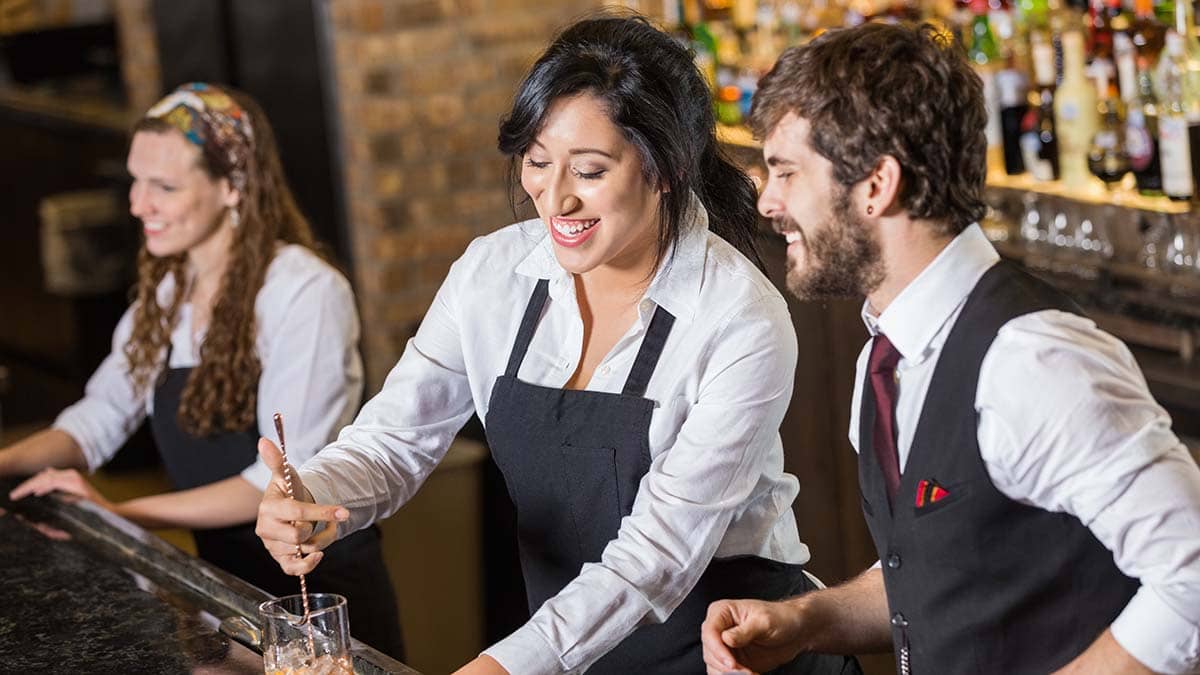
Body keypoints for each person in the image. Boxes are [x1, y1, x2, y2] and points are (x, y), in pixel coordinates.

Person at [254, 15, 859, 675]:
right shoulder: (493, 277)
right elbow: (395, 439)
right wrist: (312, 495)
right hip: (573, 652)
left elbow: (653, 556)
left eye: (591, 169)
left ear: (666, 167)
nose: (555, 197)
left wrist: (499, 667)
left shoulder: (738, 319)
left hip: (730, 655)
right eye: (538, 162)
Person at [700, 22, 1200, 675]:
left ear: (876, 185)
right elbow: (942, 569)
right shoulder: (890, 351)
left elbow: (1190, 572)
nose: (767, 201)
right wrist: (806, 620)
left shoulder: (1032, 360)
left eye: (787, 172)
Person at [1, 83, 405, 659]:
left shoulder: (305, 292)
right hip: (227, 589)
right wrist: (6, 461)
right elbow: (99, 418)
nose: (139, 204)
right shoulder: (167, 293)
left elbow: (280, 483)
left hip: (315, 596)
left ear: (233, 185)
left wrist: (120, 514)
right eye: (136, 181)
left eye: (163, 186)